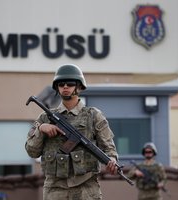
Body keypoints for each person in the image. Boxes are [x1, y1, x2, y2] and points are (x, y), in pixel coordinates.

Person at [25, 64, 118, 200]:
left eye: (70, 83)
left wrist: (113, 160)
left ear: (79, 87)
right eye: (61, 84)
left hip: (86, 188)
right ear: (57, 87)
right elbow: (32, 151)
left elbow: (108, 147)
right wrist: (41, 129)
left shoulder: (93, 116)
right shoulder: (45, 117)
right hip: (55, 189)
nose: (65, 87)